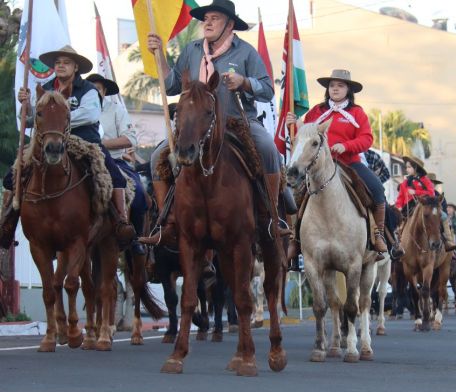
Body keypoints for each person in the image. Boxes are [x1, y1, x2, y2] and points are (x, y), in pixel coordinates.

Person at [142, 0, 293, 246]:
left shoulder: (245, 52)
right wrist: (159, 56)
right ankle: (167, 222)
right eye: (206, 18)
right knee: (157, 155)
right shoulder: (191, 50)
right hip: (196, 127)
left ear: (230, 24)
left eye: (215, 18)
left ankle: (271, 218)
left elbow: (267, 89)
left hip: (238, 122)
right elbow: (171, 86)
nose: (208, 22)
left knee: (268, 148)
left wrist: (244, 82)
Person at [0, 45, 135, 249]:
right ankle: (6, 223)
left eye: (66, 63)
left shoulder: (88, 90)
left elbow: (90, 115)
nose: (61, 66)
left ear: (76, 68)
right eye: (58, 62)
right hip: (46, 143)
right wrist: (26, 106)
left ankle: (120, 222)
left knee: (113, 174)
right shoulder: (44, 88)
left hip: (84, 142)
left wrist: (59, 118)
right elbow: (30, 120)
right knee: (13, 175)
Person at [286, 68, 389, 257]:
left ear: (348, 90)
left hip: (349, 163)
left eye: (340, 86)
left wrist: (346, 146)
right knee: (295, 193)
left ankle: (378, 234)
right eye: (332, 85)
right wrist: (294, 124)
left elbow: (367, 138)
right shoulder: (317, 111)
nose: (335, 89)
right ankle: (295, 238)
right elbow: (305, 134)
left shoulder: (357, 113)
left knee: (377, 190)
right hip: (319, 166)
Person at [87, 73, 147, 255]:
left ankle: (133, 237)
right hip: (84, 160)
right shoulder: (77, 107)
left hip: (114, 161)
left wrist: (101, 144)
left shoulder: (116, 110)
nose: (95, 92)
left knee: (139, 195)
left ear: (105, 91)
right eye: (91, 89)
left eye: (99, 89)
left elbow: (130, 139)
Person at [394, 156, 456, 251]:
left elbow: (431, 193)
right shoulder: (404, 183)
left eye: (409, 167)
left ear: (416, 168)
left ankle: (448, 240)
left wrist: (416, 193)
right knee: (397, 221)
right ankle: (397, 244)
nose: (407, 169)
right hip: (408, 207)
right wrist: (398, 207)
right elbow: (400, 197)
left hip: (423, 206)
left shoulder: (425, 181)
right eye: (406, 167)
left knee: (443, 216)